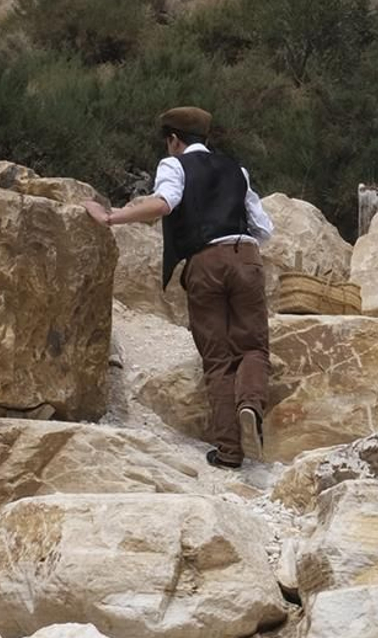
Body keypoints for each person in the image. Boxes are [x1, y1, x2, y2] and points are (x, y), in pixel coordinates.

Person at [86, 108, 274, 468]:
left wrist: (111, 217)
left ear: (174, 140)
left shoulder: (174, 165)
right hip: (245, 255)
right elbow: (264, 228)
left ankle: (229, 452)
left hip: (205, 262)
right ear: (206, 138)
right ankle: (250, 404)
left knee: (218, 359)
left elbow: (164, 203)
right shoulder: (237, 170)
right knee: (253, 348)